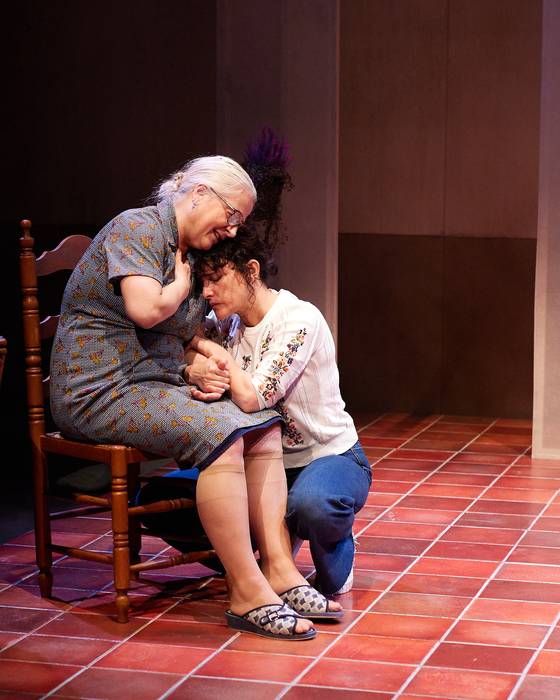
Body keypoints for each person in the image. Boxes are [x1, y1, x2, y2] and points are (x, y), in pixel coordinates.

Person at [50, 156, 341, 640]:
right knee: (222, 435)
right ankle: (246, 591)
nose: (232, 229)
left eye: (239, 222)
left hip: (152, 385)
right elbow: (146, 311)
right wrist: (182, 288)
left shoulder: (190, 251)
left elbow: (181, 335)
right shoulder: (139, 228)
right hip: (99, 390)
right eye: (231, 215)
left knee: (262, 425)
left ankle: (279, 570)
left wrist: (199, 357)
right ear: (199, 192)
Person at [145, 227, 371, 595]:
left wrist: (212, 352)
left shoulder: (298, 319)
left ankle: (324, 529)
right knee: (157, 500)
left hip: (326, 457)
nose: (207, 292)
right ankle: (268, 550)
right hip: (260, 469)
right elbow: (183, 351)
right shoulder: (226, 324)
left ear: (251, 271)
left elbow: (253, 397)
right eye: (203, 282)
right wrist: (194, 367)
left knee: (313, 508)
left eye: (216, 279)